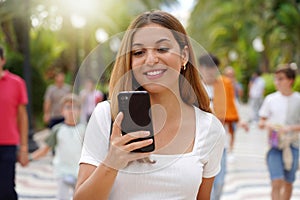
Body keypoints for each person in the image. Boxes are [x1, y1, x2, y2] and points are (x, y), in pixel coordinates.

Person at [74, 10, 225, 200]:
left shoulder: (209, 128)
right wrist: (112, 162)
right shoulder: (107, 116)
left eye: (162, 49)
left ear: (184, 55)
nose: (151, 60)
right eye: (139, 52)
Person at [198, 53, 242, 200]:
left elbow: (231, 106)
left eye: (213, 67)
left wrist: (239, 121)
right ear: (200, 68)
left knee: (220, 181)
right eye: (207, 67)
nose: (210, 71)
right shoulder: (194, 86)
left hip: (219, 143)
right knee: (200, 182)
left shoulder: (225, 85)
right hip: (199, 143)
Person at [30, 93, 86, 200]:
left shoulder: (84, 129)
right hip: (62, 170)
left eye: (75, 107)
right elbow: (45, 149)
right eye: (68, 107)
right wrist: (30, 158)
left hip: (79, 172)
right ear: (62, 111)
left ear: (80, 111)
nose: (71, 111)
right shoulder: (57, 129)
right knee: (62, 197)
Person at [258, 63, 300, 200]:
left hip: (293, 146)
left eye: (281, 78)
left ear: (290, 80)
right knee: (276, 181)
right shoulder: (270, 99)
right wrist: (269, 125)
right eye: (276, 78)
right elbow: (261, 122)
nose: (277, 82)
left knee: (288, 182)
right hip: (275, 145)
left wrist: (290, 128)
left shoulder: (298, 99)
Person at [0, 46, 29, 200]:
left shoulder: (17, 83)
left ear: (2, 60)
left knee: (6, 190)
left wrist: (23, 148)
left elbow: (22, 117)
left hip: (8, 145)